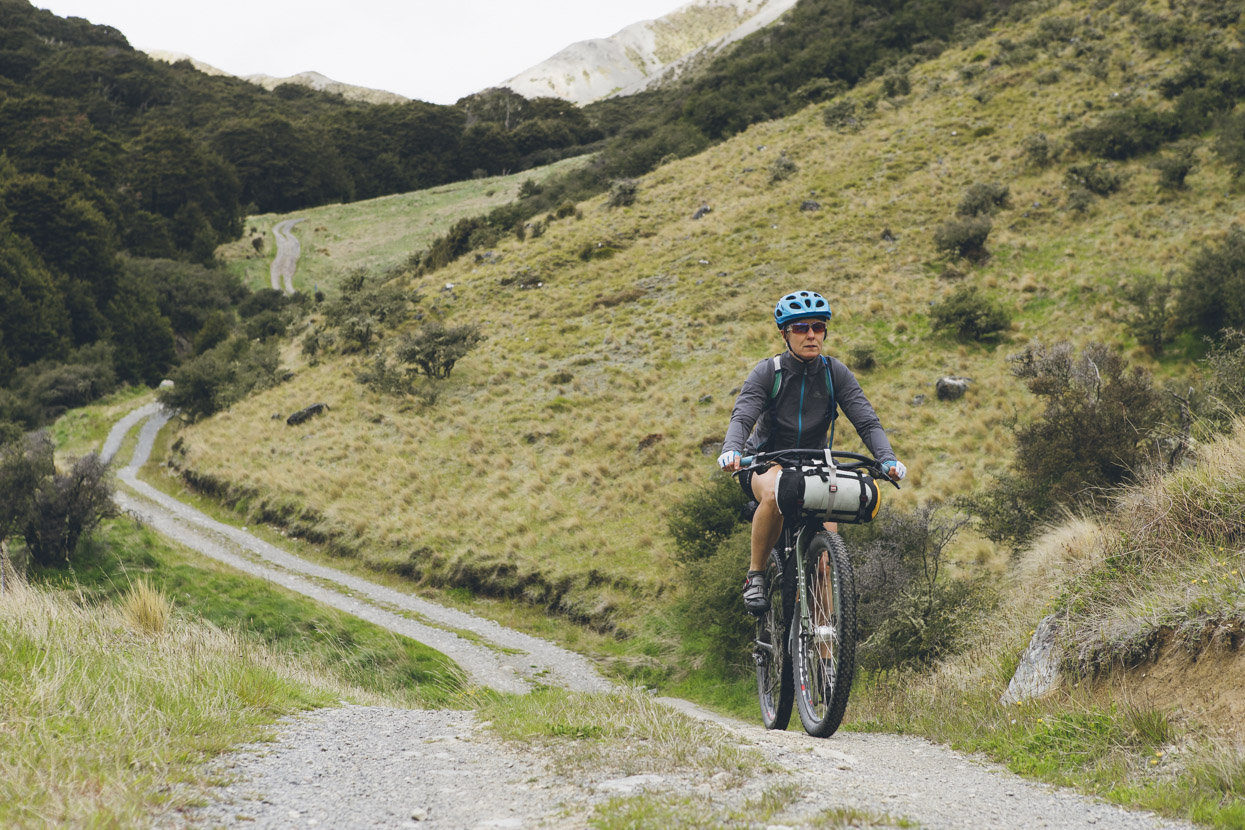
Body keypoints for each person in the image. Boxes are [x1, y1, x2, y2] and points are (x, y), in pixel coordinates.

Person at [718, 290, 907, 614]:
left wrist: (887, 458)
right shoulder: (769, 372)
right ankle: (756, 575)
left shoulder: (835, 374)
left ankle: (826, 660)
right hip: (765, 462)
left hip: (814, 466)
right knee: (776, 494)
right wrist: (732, 450)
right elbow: (743, 416)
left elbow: (867, 421)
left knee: (824, 568)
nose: (811, 335)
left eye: (818, 327)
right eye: (801, 328)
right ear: (785, 333)